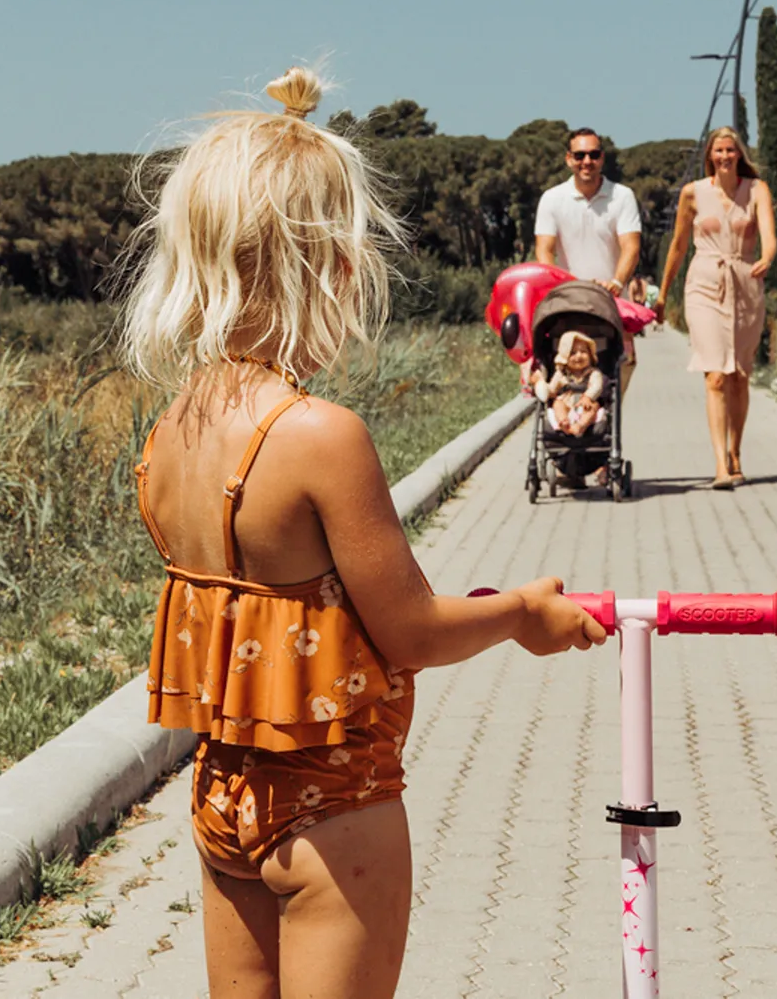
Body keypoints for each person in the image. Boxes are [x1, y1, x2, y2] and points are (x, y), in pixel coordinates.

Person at [118, 67, 605, 999]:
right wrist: (522, 613)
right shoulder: (320, 435)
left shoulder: (173, 428)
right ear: (333, 266)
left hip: (222, 796)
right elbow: (411, 631)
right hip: (336, 810)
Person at [655, 126, 777, 490]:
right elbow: (678, 246)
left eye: (730, 150)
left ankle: (736, 452)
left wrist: (768, 257)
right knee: (716, 375)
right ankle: (720, 464)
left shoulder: (757, 189)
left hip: (746, 283)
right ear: (710, 155)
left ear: (739, 154)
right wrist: (662, 294)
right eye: (718, 150)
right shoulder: (692, 193)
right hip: (704, 284)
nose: (724, 156)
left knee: (739, 375)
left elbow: (769, 236)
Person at [534, 127, 642, 394]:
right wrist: (556, 285)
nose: (587, 161)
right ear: (568, 159)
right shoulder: (552, 199)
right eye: (580, 155)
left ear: (602, 158)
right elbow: (545, 249)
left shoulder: (622, 196)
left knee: (624, 364)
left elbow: (631, 246)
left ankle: (606, 410)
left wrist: (617, 282)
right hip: (567, 302)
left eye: (593, 155)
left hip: (611, 302)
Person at [531, 330, 608, 436]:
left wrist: (588, 397)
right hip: (566, 404)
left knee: (593, 407)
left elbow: (597, 386)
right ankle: (564, 421)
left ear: (590, 356)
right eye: (573, 353)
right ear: (564, 357)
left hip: (585, 405)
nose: (579, 356)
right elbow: (552, 389)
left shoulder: (593, 373)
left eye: (583, 352)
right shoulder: (561, 374)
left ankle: (580, 426)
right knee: (557, 404)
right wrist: (541, 384)